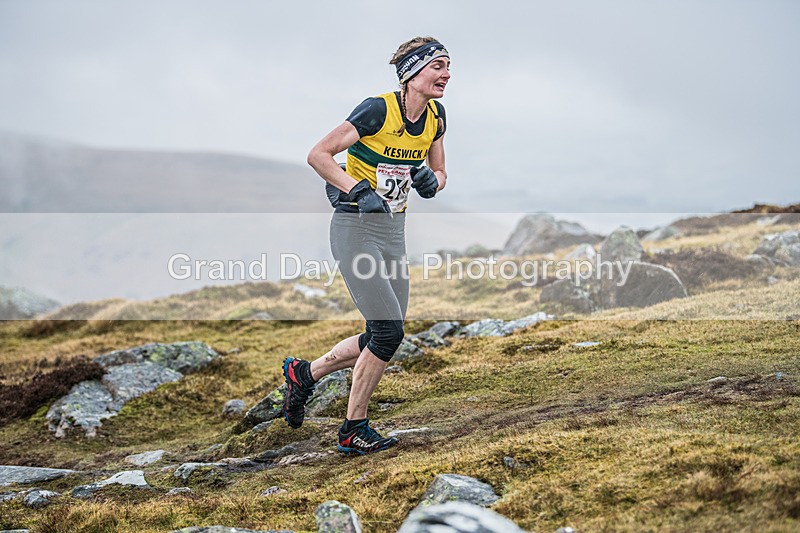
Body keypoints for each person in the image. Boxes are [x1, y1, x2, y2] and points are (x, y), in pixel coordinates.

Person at [281, 36, 450, 455]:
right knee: (389, 331)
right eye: (438, 66)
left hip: (394, 233)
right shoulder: (377, 109)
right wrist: (357, 188)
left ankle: (304, 374)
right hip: (355, 229)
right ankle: (353, 428)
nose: (447, 74)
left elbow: (440, 171)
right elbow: (318, 155)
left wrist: (433, 181)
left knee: (383, 331)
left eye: (449, 67)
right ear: (412, 72)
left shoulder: (436, 117)